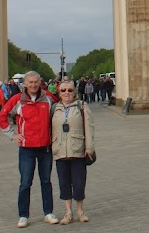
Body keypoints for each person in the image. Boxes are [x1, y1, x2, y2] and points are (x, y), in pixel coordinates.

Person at [0, 71, 60, 228]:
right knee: (25, 182)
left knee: (46, 181)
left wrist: (56, 135)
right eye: (30, 82)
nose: (33, 85)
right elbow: (2, 116)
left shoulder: (48, 98)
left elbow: (59, 113)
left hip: (45, 147)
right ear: (25, 84)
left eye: (36, 82)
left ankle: (48, 212)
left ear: (40, 83)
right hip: (26, 148)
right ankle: (23, 215)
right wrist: (12, 135)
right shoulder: (17, 100)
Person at [51, 80, 95, 224]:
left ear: (74, 92)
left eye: (70, 90)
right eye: (63, 90)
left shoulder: (82, 106)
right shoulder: (54, 108)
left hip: (77, 149)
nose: (66, 93)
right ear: (59, 93)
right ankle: (68, 212)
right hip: (60, 150)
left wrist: (89, 148)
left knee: (78, 182)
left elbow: (89, 128)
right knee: (64, 182)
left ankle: (80, 211)